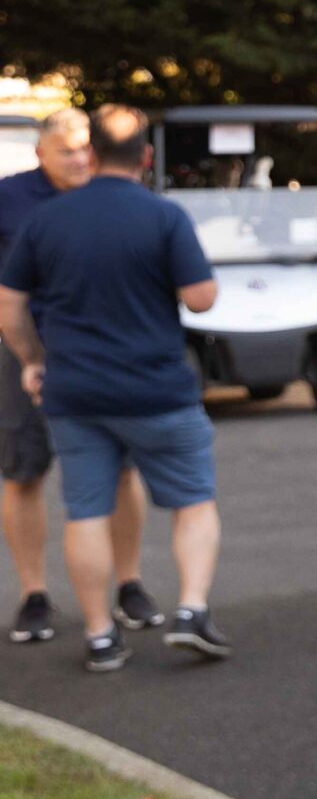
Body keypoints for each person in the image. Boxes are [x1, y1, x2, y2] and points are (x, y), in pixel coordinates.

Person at [0, 106, 228, 673]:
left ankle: (101, 635)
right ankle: (190, 612)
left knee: (85, 509)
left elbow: (9, 303)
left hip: (72, 388)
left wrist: (33, 361)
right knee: (192, 500)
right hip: (155, 388)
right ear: (146, 158)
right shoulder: (163, 215)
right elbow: (201, 298)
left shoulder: (45, 221)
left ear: (94, 154)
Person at [0, 109, 159, 648]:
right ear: (39, 153)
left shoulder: (114, 193)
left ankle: (129, 584)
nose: (77, 159)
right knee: (24, 472)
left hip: (103, 351)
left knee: (121, 471)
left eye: (83, 149)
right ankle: (34, 595)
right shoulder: (10, 198)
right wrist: (23, 348)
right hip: (27, 352)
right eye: (65, 151)